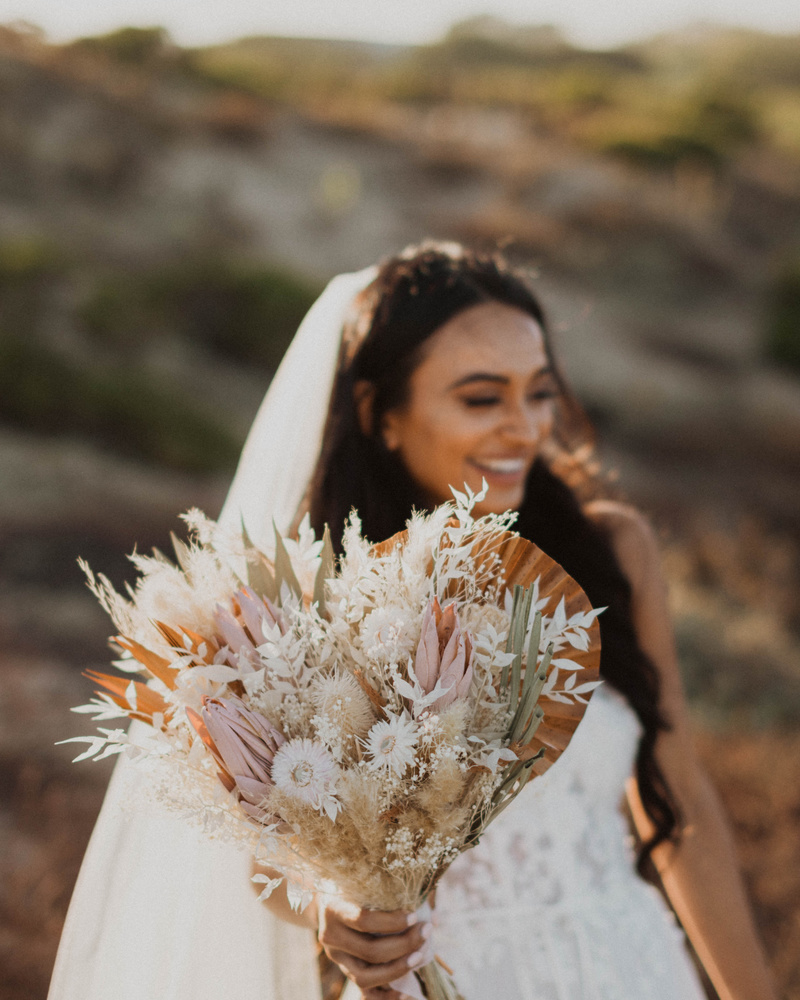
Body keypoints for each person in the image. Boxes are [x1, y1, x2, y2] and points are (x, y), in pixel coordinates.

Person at [49, 242, 777, 1000]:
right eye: (480, 398)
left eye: (538, 393)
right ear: (381, 414)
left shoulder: (611, 551)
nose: (525, 428)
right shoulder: (307, 602)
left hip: (629, 970)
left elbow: (681, 794)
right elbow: (271, 854)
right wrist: (333, 904)